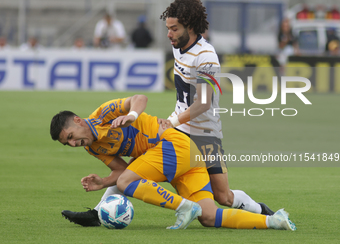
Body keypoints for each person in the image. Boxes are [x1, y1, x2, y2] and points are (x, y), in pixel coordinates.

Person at [50, 95, 296, 231]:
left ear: (79, 121)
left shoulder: (104, 114)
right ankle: (273, 221)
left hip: (172, 144)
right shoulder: (93, 148)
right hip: (182, 161)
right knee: (209, 217)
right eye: (67, 144)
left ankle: (183, 208)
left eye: (71, 137)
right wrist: (103, 181)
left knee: (128, 182)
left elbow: (139, 98)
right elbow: (122, 171)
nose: (73, 144)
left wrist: (132, 115)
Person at [159, 0, 274, 214]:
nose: (169, 34)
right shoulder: (177, 46)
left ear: (190, 27)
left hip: (205, 133)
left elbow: (203, 103)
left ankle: (259, 210)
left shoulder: (206, 56)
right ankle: (98, 212)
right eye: (168, 28)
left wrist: (171, 121)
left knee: (223, 196)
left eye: (174, 29)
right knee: (136, 165)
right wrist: (174, 123)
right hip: (180, 128)